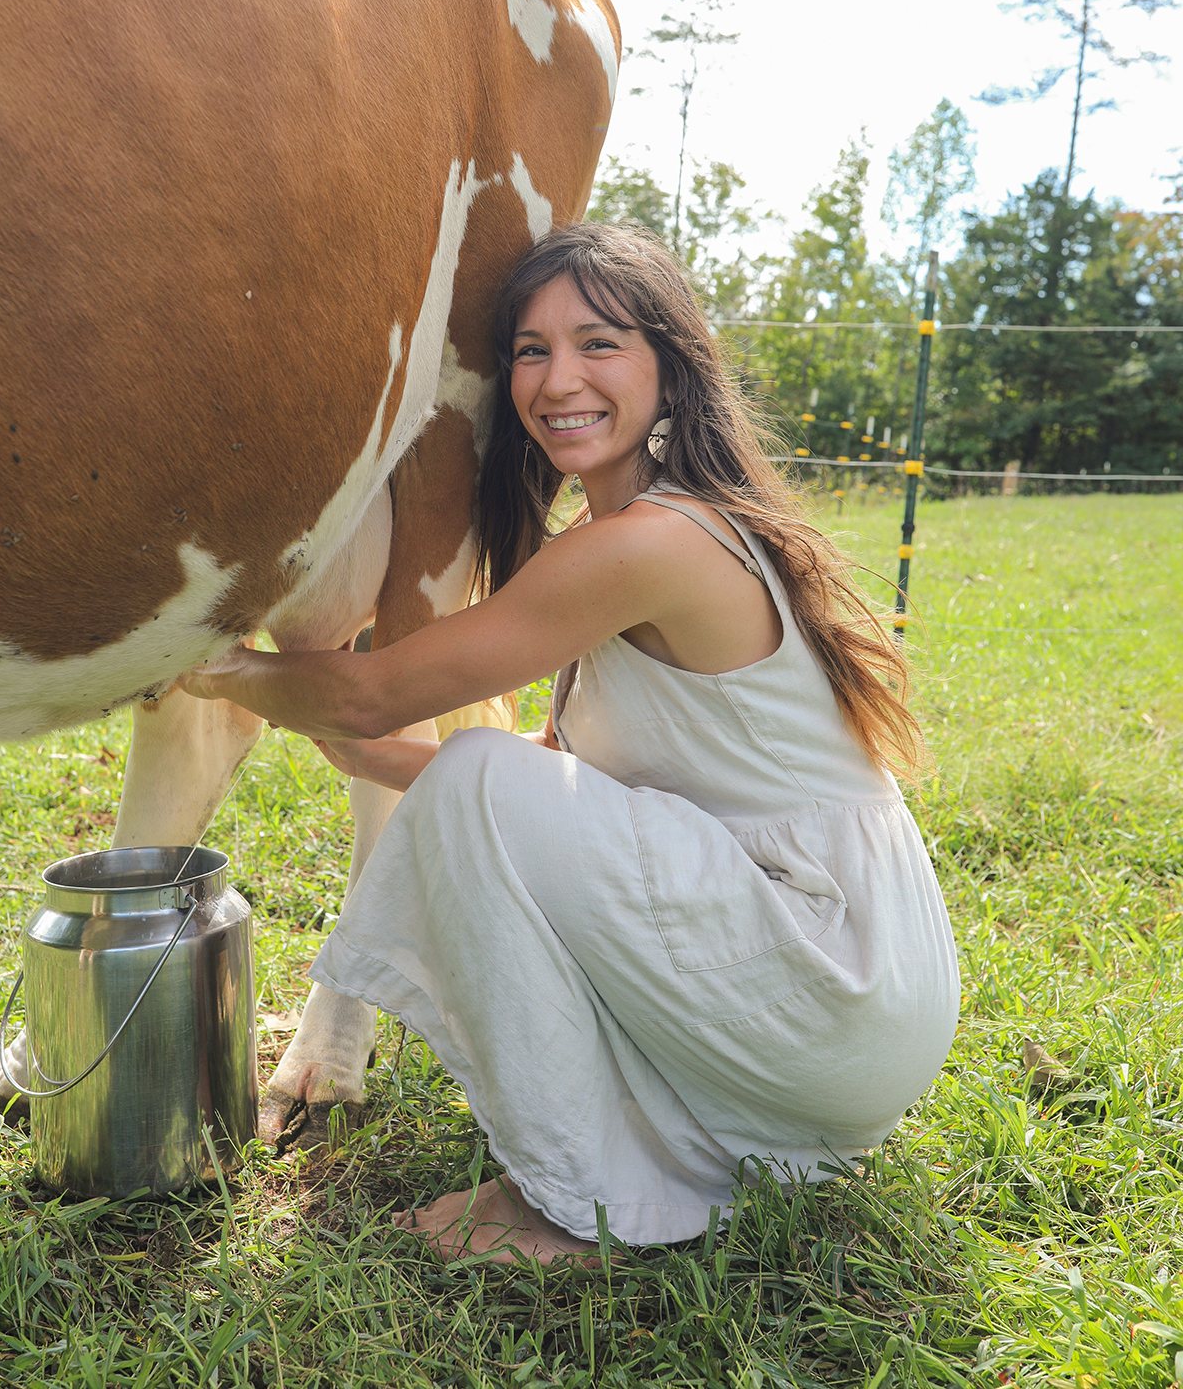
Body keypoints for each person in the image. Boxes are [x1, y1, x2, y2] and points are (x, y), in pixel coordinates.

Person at [180, 222, 959, 1262]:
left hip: (831, 987)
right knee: (475, 777)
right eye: (530, 351)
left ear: (671, 371)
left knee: (475, 779)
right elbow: (557, 784)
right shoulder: (657, 530)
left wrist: (195, 662)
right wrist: (367, 756)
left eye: (599, 343)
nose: (558, 379)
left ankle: (575, 1200)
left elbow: (372, 698)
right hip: (837, 1002)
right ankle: (706, 1136)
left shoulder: (652, 543)